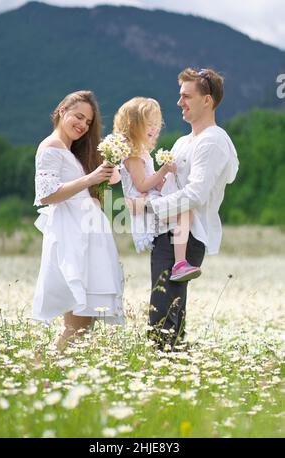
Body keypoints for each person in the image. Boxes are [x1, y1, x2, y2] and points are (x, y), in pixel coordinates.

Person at [129, 68, 239, 350]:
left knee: (163, 312)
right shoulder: (182, 142)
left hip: (188, 235)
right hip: (168, 231)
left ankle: (164, 370)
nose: (180, 103)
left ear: (208, 101)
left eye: (187, 96)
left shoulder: (212, 141)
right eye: (180, 96)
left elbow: (195, 194)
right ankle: (173, 371)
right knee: (166, 311)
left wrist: (150, 207)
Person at [33, 90, 124, 351]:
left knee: (86, 321)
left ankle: (51, 368)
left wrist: (107, 168)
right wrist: (90, 179)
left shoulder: (70, 151)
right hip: (72, 236)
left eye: (88, 122)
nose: (83, 125)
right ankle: (44, 367)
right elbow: (47, 194)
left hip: (87, 233)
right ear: (62, 111)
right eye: (78, 117)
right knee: (78, 321)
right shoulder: (50, 147)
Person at [114, 97, 201, 282]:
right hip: (144, 208)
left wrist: (161, 183)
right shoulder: (133, 156)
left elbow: (148, 182)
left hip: (149, 202)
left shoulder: (141, 152)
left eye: (156, 124)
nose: (153, 129)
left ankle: (179, 262)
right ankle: (179, 263)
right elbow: (141, 185)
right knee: (184, 212)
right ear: (132, 126)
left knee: (185, 212)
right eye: (148, 124)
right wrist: (163, 171)